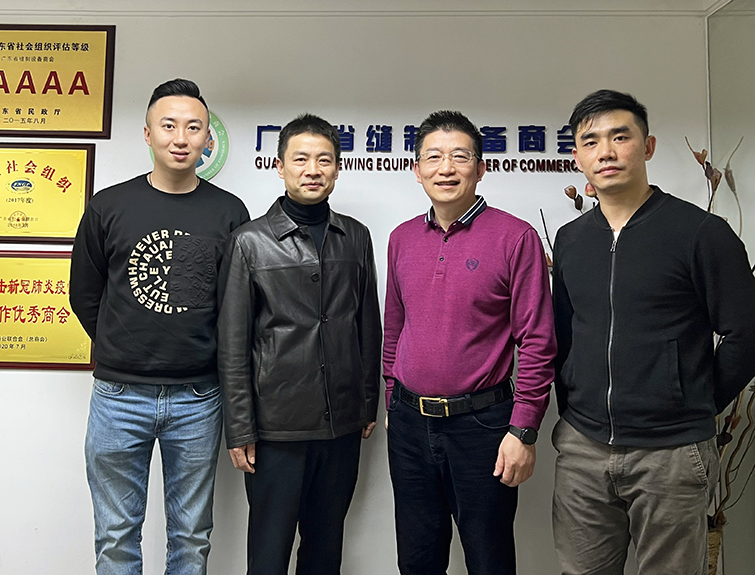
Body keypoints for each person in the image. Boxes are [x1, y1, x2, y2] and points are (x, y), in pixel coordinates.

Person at [552, 89, 755, 575]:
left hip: (671, 453)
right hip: (583, 447)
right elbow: (564, 334)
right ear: (577, 156)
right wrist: (575, 404)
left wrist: (693, 399)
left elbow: (746, 334)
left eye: (620, 137)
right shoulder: (571, 239)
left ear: (648, 147)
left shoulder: (701, 233)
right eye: (591, 141)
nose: (606, 151)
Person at [69, 78, 249, 575]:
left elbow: (236, 308)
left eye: (193, 128)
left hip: (199, 398)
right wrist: (121, 346)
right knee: (115, 535)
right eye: (168, 126)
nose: (181, 138)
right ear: (148, 134)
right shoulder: (108, 206)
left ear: (208, 138)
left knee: (191, 536)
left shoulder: (230, 212)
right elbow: (84, 294)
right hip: (118, 396)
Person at [382, 110, 557, 575]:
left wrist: (523, 430)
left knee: (488, 558)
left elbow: (537, 340)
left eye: (460, 157)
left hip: (483, 427)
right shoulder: (401, 238)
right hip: (409, 424)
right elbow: (395, 329)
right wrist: (391, 399)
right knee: (417, 558)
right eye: (433, 157)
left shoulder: (515, 237)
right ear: (416, 170)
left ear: (481, 169)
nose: (446, 168)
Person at [218, 113, 381, 575]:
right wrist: (240, 428)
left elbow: (368, 325)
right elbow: (233, 344)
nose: (313, 170)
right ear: (280, 166)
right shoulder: (249, 242)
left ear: (337, 168)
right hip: (276, 429)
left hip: (341, 423)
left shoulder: (356, 236)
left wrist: (367, 402)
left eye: (324, 160)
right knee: (269, 553)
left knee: (325, 551)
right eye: (301, 159)